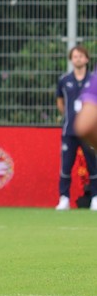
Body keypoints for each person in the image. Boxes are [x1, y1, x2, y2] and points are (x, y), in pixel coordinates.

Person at [55, 45, 97, 210]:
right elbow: (60, 102)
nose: (78, 59)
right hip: (69, 130)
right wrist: (70, 116)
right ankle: (64, 198)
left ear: (86, 59)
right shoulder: (64, 80)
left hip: (90, 131)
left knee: (93, 165)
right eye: (75, 56)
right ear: (71, 59)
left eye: (81, 56)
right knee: (66, 165)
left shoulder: (93, 79)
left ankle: (95, 197)